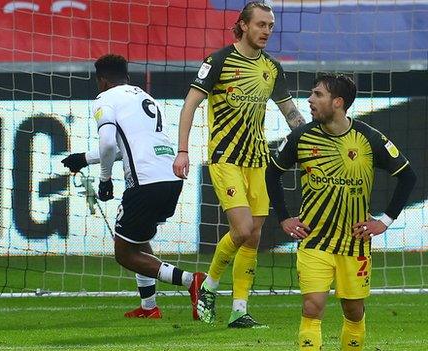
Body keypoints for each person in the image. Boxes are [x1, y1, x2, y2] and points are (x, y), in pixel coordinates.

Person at [172, 1, 305, 327]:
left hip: (259, 159)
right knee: (242, 229)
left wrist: (312, 142)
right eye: (261, 24)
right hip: (225, 158)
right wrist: (182, 150)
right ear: (243, 25)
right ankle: (210, 284)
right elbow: (189, 105)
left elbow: (290, 113)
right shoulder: (218, 61)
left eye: (270, 26)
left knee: (255, 235)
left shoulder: (272, 69)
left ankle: (239, 310)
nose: (266, 31)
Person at [266, 74, 416, 350]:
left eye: (317, 95)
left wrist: (384, 221)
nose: (310, 100)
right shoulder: (301, 137)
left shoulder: (369, 138)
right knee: (312, 307)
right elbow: (272, 173)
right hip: (314, 240)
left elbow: (408, 176)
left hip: (354, 242)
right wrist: (284, 217)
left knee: (353, 311)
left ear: (338, 102)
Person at [62, 54, 205, 319]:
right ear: (126, 76)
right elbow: (127, 147)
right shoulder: (143, 97)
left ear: (102, 80)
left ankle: (191, 281)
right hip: (171, 179)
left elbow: (108, 144)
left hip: (145, 183)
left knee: (125, 253)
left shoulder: (105, 99)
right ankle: (149, 308)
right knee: (138, 240)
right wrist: (84, 159)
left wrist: (105, 180)